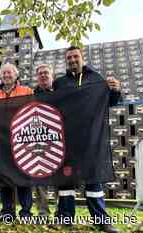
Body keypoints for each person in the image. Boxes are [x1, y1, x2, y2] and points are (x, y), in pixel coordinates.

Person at [53, 46, 121, 233]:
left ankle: (101, 220)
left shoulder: (98, 79)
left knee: (94, 180)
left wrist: (115, 90)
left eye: (76, 56)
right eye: (69, 58)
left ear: (82, 58)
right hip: (67, 141)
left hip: (92, 140)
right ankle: (65, 218)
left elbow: (111, 103)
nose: (73, 60)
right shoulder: (59, 83)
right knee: (66, 182)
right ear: (66, 61)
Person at [0, 63, 34, 219]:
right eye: (3, 73)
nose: (6, 75)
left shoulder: (27, 91)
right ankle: (7, 211)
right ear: (0, 77)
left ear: (16, 75)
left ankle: (26, 212)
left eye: (9, 73)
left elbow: (34, 112)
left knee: (23, 176)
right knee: (5, 176)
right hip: (2, 142)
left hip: (22, 142)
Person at [33, 64, 54, 217]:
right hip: (40, 139)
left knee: (63, 178)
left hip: (59, 139)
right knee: (40, 176)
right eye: (40, 74)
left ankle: (64, 211)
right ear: (37, 77)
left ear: (51, 75)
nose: (43, 76)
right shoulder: (32, 95)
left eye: (46, 73)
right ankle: (43, 212)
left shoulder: (61, 91)